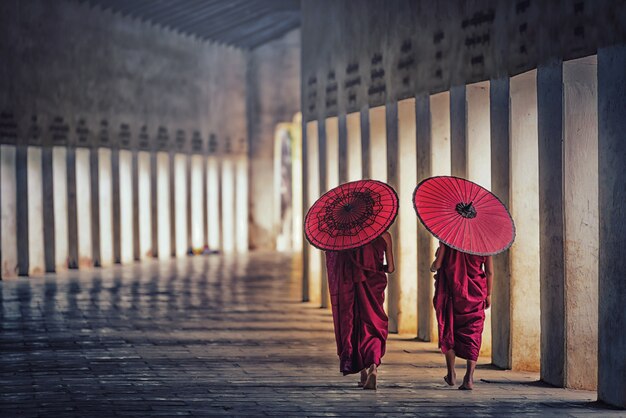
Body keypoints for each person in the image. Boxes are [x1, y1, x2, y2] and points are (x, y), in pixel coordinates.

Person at [324, 231, 395, 390]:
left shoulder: (346, 236)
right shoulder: (385, 236)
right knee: (373, 325)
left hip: (351, 288)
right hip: (374, 286)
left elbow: (339, 265)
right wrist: (375, 267)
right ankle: (373, 368)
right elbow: (391, 268)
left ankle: (363, 373)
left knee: (355, 326)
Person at [430, 241, 494, 390]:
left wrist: (433, 264)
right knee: (474, 332)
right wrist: (488, 294)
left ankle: (451, 373)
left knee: (448, 329)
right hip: (476, 292)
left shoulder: (448, 240)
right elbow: (489, 272)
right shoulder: (485, 243)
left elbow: (437, 265)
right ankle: (469, 377)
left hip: (452, 292)